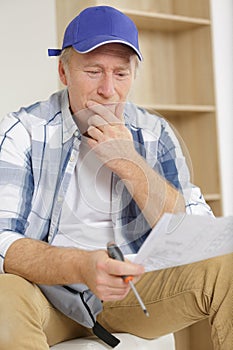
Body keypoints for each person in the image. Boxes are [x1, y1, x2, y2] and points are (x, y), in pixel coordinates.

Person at [0, 5, 232, 350]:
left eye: (121, 74)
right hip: (46, 296)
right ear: (64, 72)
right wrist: (80, 266)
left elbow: (194, 232)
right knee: (4, 293)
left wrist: (130, 164)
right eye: (93, 71)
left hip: (133, 294)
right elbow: (3, 241)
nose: (108, 90)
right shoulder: (23, 132)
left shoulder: (154, 133)